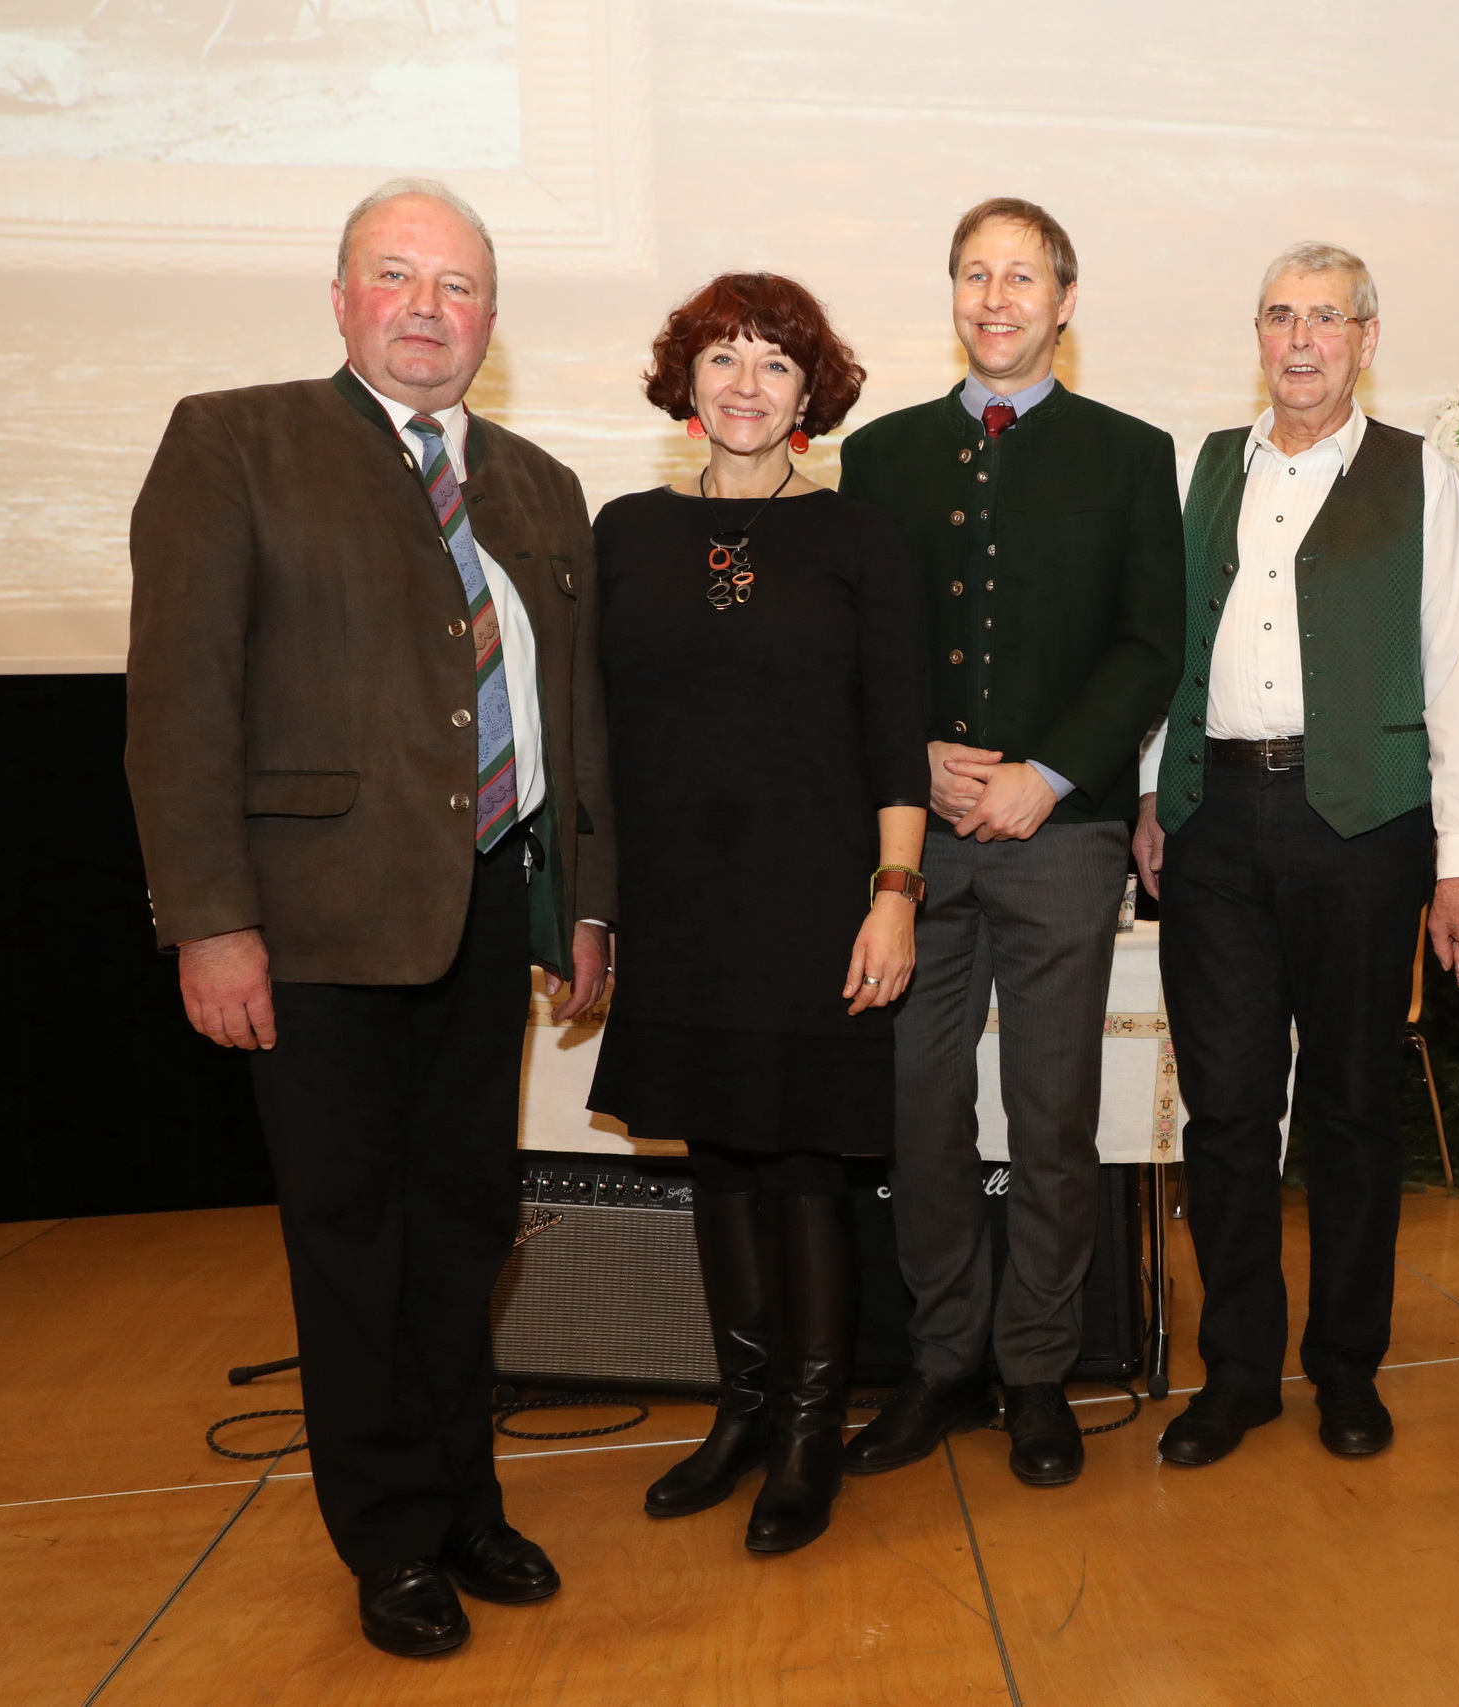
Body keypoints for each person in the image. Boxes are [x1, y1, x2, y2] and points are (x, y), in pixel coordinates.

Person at [126, 179, 613, 1657]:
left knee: (465, 1226)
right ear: (341, 299)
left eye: (456, 285)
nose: (425, 308)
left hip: (487, 911)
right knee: (354, 1240)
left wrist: (582, 903)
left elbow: (571, 715)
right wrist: (213, 921)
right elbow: (180, 705)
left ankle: (464, 1499)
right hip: (313, 928)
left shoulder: (537, 483)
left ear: (490, 318)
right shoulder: (235, 441)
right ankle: (390, 1535)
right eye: (395, 276)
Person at [1134, 242, 1459, 1467]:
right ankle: (1237, 1374)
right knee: (1226, 1112)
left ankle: (1347, 1368)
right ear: (1257, 335)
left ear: (1366, 338)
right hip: (1214, 824)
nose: (1301, 340)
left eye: (1326, 319)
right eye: (1280, 317)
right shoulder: (1204, 469)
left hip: (1362, 824)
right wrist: (1156, 788)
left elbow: (1453, 675)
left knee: (1350, 1109)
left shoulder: (1417, 476)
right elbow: (1172, 646)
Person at [837, 199, 1183, 1489]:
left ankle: (1036, 1368)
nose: (997, 298)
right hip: (915, 843)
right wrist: (916, 753)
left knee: (1051, 1117)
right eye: (975, 275)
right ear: (953, 296)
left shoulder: (1130, 453)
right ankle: (942, 1363)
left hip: (1062, 837)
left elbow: (1150, 642)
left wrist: (1050, 772)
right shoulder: (880, 456)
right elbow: (861, 643)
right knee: (919, 1112)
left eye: (1021, 277)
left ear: (1064, 301)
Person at [588, 272, 927, 1555]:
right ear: (685, 380)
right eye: (722, 357)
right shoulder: (624, 532)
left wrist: (894, 896)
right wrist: (595, 910)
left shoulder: (861, 538)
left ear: (809, 394)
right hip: (679, 905)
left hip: (817, 901)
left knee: (803, 1167)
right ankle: (739, 1411)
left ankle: (807, 1432)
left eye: (774, 363)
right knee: (716, 1160)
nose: (745, 383)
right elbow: (597, 735)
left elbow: (896, 738)